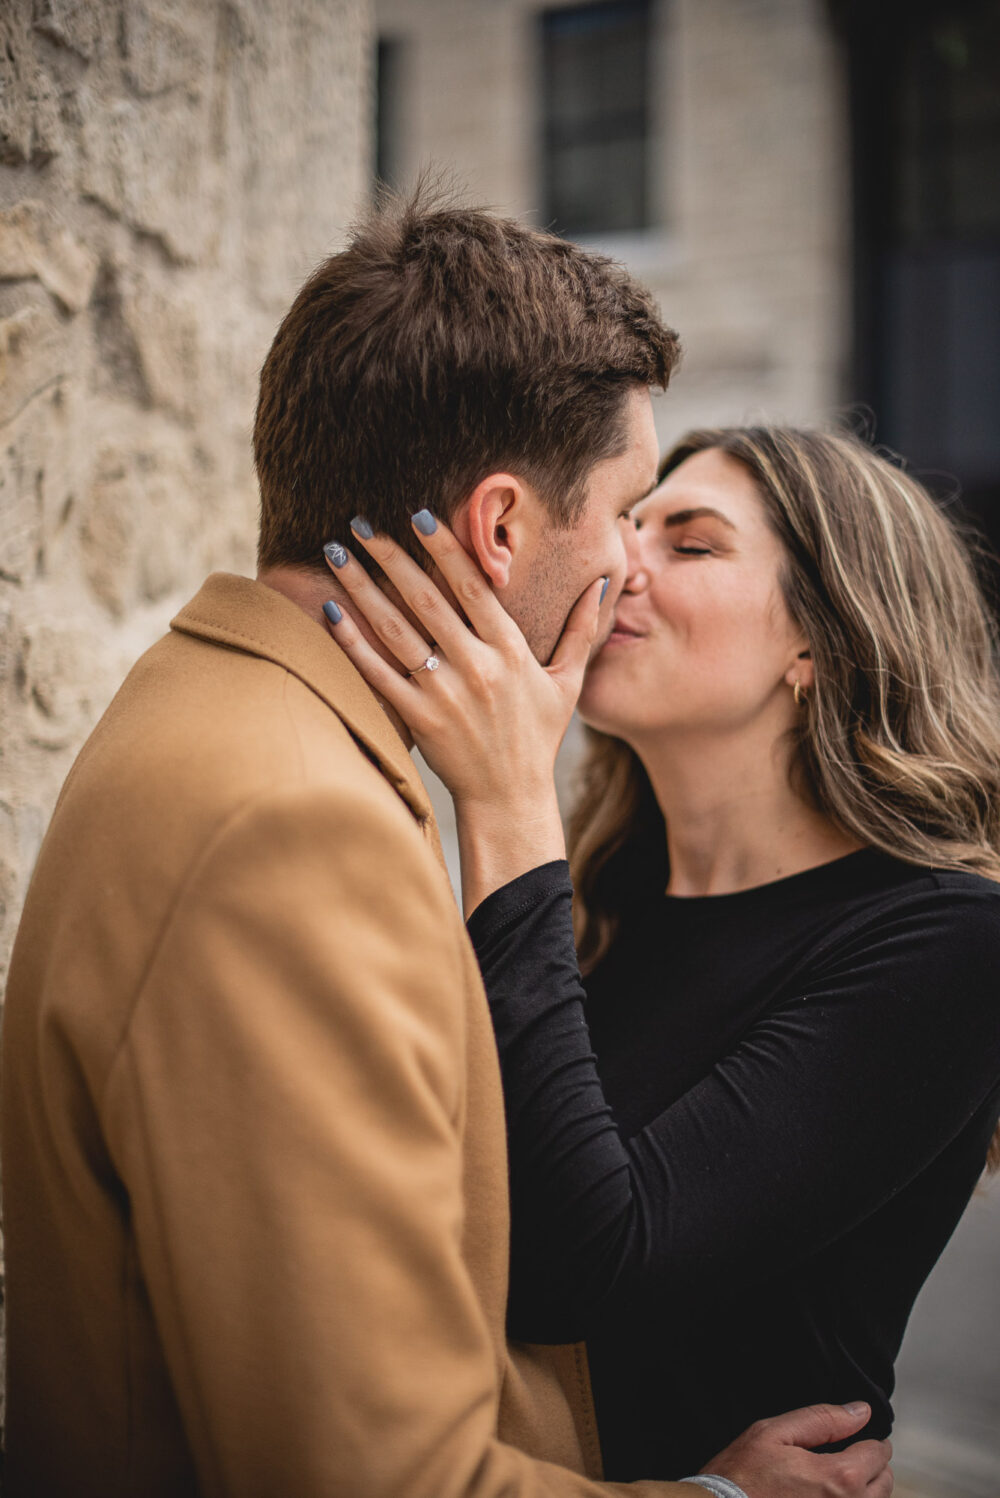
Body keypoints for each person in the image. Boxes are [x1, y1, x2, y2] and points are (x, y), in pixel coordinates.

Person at [0, 197, 892, 1498]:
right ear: (503, 528)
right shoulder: (291, 831)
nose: (628, 567)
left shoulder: (221, 704)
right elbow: (373, 1470)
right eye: (625, 512)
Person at [319, 422, 1000, 1482]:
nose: (615, 560)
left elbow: (571, 1275)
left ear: (819, 642)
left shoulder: (946, 939)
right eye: (625, 525)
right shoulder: (600, 901)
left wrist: (504, 802)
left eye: (689, 543)